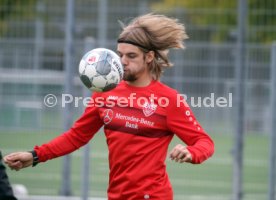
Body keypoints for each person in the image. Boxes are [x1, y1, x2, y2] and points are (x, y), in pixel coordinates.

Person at [4, 13, 214, 200]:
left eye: (131, 56)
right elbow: (76, 136)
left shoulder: (169, 100)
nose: (122, 61)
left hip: (153, 196)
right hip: (116, 195)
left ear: (149, 57)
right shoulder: (105, 93)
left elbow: (204, 142)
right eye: (119, 54)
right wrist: (34, 155)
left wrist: (191, 152)